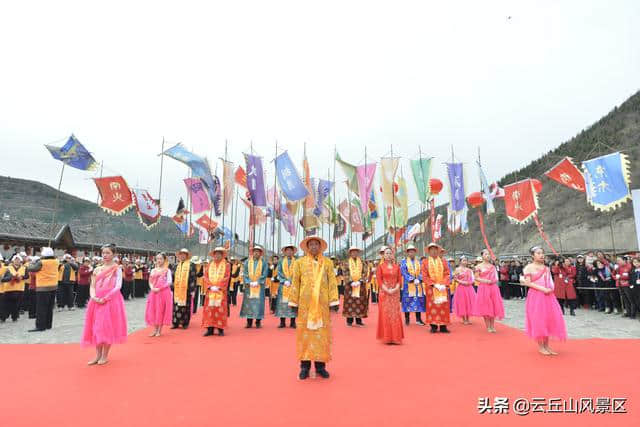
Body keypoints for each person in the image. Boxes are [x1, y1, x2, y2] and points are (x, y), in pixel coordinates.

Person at [288, 236, 339, 380]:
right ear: (307, 247)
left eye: (317, 244)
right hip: (305, 306)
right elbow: (295, 283)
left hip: (322, 306)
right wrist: (294, 302)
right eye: (311, 244)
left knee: (321, 335)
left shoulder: (328, 263)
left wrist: (333, 300)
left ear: (320, 246)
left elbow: (332, 282)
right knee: (305, 335)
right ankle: (304, 367)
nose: (314, 246)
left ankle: (320, 366)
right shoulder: (299, 263)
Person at [81, 244, 128, 365]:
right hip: (96, 301)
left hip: (111, 301)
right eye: (103, 253)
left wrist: (106, 298)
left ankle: (105, 355)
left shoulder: (117, 268)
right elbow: (92, 285)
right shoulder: (97, 269)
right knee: (96, 327)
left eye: (108, 253)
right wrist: (94, 296)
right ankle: (97, 355)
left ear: (113, 254)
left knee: (107, 327)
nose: (105, 255)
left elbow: (118, 286)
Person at [519, 246, 567, 356]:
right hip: (536, 296)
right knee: (539, 320)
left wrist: (551, 288)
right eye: (538, 253)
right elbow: (528, 283)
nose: (541, 255)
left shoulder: (546, 268)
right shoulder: (528, 268)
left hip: (548, 296)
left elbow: (550, 280)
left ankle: (547, 345)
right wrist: (542, 289)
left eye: (542, 253)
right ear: (533, 256)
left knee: (549, 319)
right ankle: (541, 346)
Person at [26, 247, 59, 332]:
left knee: (41, 308)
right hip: (53, 286)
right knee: (49, 307)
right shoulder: (56, 262)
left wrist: (31, 263)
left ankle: (40, 326)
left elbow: (31, 268)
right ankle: (48, 324)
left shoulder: (41, 262)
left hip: (43, 287)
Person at [421, 242, 451, 333]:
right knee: (432, 306)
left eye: (435, 249)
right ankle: (433, 326)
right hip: (431, 288)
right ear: (429, 251)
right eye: (431, 250)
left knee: (443, 306)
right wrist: (434, 284)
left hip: (442, 288)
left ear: (438, 251)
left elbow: (447, 274)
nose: (433, 251)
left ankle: (443, 326)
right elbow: (424, 276)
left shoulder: (443, 261)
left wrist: (443, 284)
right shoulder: (425, 262)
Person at [376, 247, 404, 344]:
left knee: (395, 314)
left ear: (392, 255)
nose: (388, 255)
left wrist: (395, 289)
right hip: (385, 293)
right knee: (386, 314)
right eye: (386, 253)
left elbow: (399, 280)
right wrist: (387, 289)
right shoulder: (380, 267)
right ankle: (387, 338)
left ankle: (396, 338)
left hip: (395, 294)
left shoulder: (397, 267)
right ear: (383, 255)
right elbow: (379, 280)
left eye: (390, 253)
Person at [473, 249, 504, 333]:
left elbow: (496, 277)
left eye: (488, 254)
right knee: (485, 307)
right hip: (483, 288)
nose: (488, 256)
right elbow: (476, 277)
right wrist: (485, 281)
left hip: (493, 288)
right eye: (486, 254)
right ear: (482, 256)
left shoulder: (492, 266)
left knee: (493, 306)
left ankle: (492, 325)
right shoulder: (478, 267)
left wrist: (493, 281)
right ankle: (488, 326)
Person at [202, 247, 230, 337]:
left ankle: (220, 329)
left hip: (220, 292)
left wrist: (219, 287)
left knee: (220, 309)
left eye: (219, 253)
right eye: (216, 253)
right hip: (211, 291)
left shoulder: (226, 265)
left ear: (222, 255)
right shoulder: (210, 264)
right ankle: (209, 329)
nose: (217, 255)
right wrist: (210, 286)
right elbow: (205, 276)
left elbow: (226, 277)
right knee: (210, 310)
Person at [145, 253, 173, 337]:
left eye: (161, 259)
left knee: (161, 310)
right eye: (157, 259)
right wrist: (152, 288)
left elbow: (169, 282)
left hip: (163, 293)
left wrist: (160, 288)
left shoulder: (167, 270)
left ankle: (159, 330)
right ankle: (154, 329)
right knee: (154, 310)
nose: (159, 260)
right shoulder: (153, 270)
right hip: (154, 293)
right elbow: (150, 280)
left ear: (164, 260)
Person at [240, 246, 268, 328]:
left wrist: (258, 282)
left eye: (258, 251)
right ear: (252, 252)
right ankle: (249, 322)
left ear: (260, 253)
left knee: (259, 303)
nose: (256, 253)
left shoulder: (264, 262)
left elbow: (265, 273)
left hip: (259, 286)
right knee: (249, 303)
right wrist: (249, 282)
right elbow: (245, 273)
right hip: (249, 287)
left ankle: (258, 321)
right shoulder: (247, 262)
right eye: (255, 251)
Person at [399, 244, 426, 326]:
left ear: (415, 252)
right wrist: (412, 279)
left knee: (418, 301)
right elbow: (403, 272)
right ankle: (407, 319)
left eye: (413, 251)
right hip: (408, 285)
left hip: (418, 285)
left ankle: (418, 319)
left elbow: (422, 271)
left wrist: (419, 278)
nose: (411, 253)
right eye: (410, 251)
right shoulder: (404, 262)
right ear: (408, 253)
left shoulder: (419, 262)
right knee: (407, 301)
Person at [171, 248, 197, 329]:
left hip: (187, 289)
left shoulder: (191, 265)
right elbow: (172, 277)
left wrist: (192, 290)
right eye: (181, 254)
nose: (182, 256)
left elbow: (193, 278)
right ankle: (175, 323)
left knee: (185, 307)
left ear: (187, 255)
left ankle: (185, 323)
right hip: (177, 290)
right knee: (176, 306)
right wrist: (172, 288)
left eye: (184, 254)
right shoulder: (176, 266)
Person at [342, 246, 369, 327]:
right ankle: (349, 321)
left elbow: (365, 271)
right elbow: (345, 272)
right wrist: (350, 281)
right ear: (350, 253)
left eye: (356, 251)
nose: (354, 253)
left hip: (360, 285)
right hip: (350, 286)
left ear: (358, 253)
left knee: (359, 302)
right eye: (352, 252)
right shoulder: (346, 262)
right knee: (349, 302)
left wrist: (361, 280)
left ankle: (358, 320)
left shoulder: (362, 262)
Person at [1, 254, 28, 322]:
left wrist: (21, 277)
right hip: (9, 289)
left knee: (17, 304)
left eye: (18, 260)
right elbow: (3, 279)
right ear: (13, 261)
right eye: (16, 260)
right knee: (6, 304)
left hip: (19, 288)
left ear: (20, 261)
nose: (17, 261)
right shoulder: (8, 268)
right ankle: (4, 317)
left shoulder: (24, 268)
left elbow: (27, 276)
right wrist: (11, 278)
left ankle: (15, 317)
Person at [275, 245, 297, 328]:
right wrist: (284, 281)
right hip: (283, 285)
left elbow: (298, 273)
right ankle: (282, 322)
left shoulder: (297, 261)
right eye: (287, 250)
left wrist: (291, 281)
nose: (289, 252)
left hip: (293, 285)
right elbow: (279, 272)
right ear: (285, 252)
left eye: (290, 250)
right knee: (282, 303)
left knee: (293, 303)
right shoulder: (281, 261)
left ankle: (293, 322)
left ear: (293, 252)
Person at [452, 256, 476, 325]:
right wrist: (461, 281)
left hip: (469, 288)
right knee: (462, 303)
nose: (465, 262)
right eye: (463, 260)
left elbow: (473, 279)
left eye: (466, 260)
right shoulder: (457, 270)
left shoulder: (470, 270)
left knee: (469, 302)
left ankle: (468, 319)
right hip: (461, 288)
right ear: (460, 261)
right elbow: (455, 279)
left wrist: (469, 282)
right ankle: (464, 319)